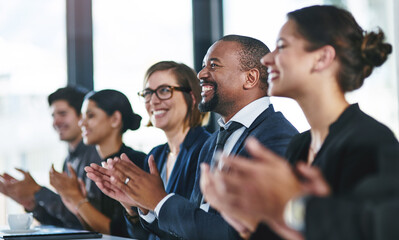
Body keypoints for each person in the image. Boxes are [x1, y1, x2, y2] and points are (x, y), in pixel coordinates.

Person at [199, 4, 398, 239]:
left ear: (322, 58)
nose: (268, 59)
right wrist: (248, 224)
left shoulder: (371, 142)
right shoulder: (300, 146)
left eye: (282, 46)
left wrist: (298, 206)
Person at [87, 34, 298, 240]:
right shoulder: (212, 143)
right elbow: (189, 229)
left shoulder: (277, 138)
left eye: (213, 65)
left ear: (250, 78)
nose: (201, 74)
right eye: (204, 65)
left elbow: (241, 234)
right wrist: (143, 206)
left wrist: (159, 201)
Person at [85, 61, 210, 239]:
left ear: (192, 97)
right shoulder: (156, 155)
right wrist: (133, 208)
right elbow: (144, 236)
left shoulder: (207, 148)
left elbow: (196, 229)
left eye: (165, 90)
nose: (153, 100)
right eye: (148, 93)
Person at [0, 86, 102, 229]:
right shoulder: (69, 159)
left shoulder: (95, 157)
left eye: (62, 114)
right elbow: (67, 221)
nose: (56, 122)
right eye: (53, 116)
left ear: (81, 116)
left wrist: (37, 191)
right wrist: (32, 203)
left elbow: (88, 221)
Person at [49, 89, 147, 237]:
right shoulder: (97, 164)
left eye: (90, 116)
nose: (82, 122)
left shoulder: (133, 162)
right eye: (82, 116)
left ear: (115, 119)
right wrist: (76, 205)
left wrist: (78, 200)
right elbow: (96, 232)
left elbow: (120, 232)